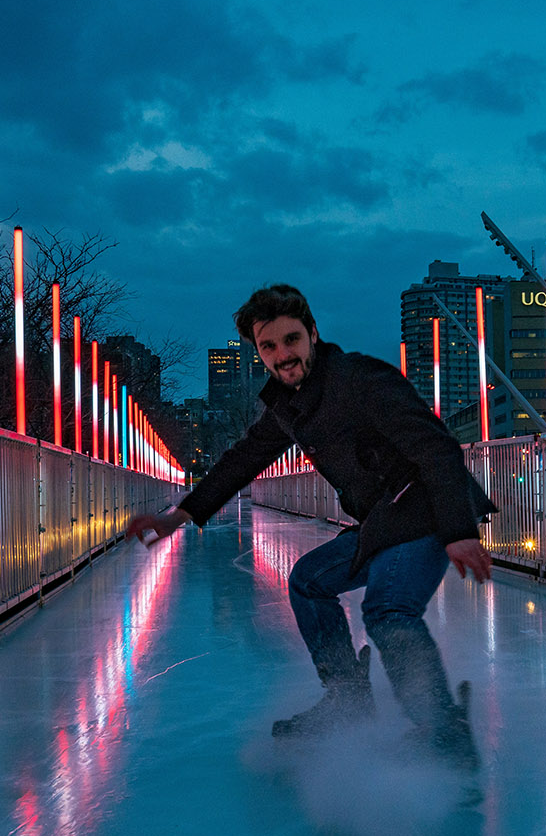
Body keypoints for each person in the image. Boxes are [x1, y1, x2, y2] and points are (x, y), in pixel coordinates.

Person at [127, 284, 496, 770]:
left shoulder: (360, 378)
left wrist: (459, 530)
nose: (283, 355)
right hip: (383, 522)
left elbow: (437, 448)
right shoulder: (289, 403)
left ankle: (443, 735)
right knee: (307, 580)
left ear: (314, 334)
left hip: (426, 513)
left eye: (292, 339)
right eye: (269, 346)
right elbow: (245, 459)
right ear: (258, 352)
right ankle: (347, 700)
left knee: (387, 611)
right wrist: (180, 515)